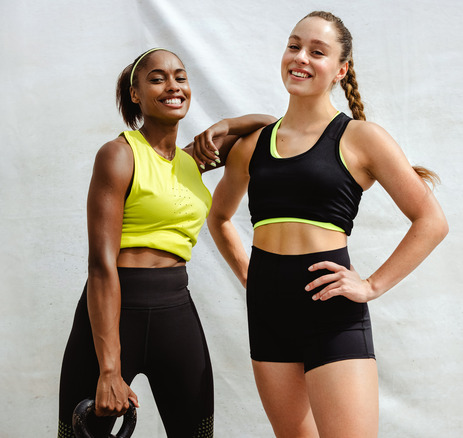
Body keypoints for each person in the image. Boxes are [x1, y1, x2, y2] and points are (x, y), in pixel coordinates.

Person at [202, 11, 448, 438]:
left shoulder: (361, 138)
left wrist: (371, 285)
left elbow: (431, 221)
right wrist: (250, 276)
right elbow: (219, 217)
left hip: (331, 311)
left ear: (341, 69)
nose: (301, 57)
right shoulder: (252, 146)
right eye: (294, 45)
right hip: (267, 312)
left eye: (317, 52)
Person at [57, 47, 274, 438]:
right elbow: (100, 265)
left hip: (176, 310)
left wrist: (226, 123)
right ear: (135, 94)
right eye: (157, 78)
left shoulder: (194, 160)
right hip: (113, 313)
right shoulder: (119, 155)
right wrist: (110, 369)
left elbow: (276, 130)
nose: (173, 86)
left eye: (180, 77)